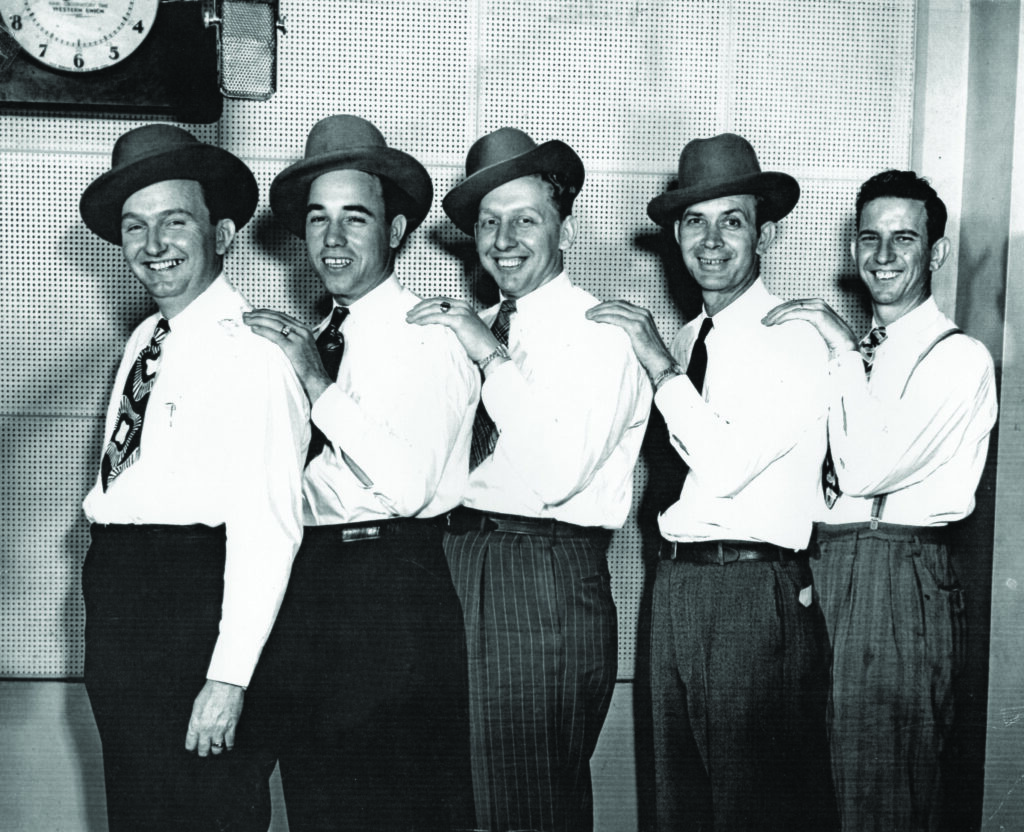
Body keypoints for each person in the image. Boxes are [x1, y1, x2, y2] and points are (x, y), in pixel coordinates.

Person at [587, 133, 838, 831]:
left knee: (751, 812)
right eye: (695, 221)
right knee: (682, 809)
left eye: (733, 220)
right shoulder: (698, 334)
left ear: (766, 232)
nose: (713, 239)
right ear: (674, 234)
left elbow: (725, 467)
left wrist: (659, 366)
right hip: (679, 590)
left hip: (752, 597)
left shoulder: (792, 335)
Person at [406, 127, 651, 832]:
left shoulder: (600, 332)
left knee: (527, 806)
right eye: (488, 222)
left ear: (565, 231)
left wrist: (488, 356)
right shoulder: (471, 325)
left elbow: (553, 471)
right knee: (458, 800)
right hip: (455, 560)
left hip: (538, 572)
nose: (503, 238)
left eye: (525, 219)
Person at [242, 114, 478, 832]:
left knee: (398, 810)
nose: (334, 240)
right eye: (318, 220)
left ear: (398, 229)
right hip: (311, 592)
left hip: (390, 594)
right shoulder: (313, 338)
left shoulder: (427, 337)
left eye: (355, 218)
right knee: (322, 805)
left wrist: (317, 386)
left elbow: (406, 488)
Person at [78, 124, 309, 831]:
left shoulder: (258, 352)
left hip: (195, 614)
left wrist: (228, 678)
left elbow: (269, 528)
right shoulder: (147, 340)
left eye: (174, 222)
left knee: (206, 813)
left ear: (226, 232)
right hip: (123, 608)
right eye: (134, 228)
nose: (153, 246)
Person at [762, 169, 998, 831]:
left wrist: (835, 340)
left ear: (937, 251)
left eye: (904, 238)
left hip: (895, 578)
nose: (884, 256)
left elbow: (864, 467)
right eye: (870, 238)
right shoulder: (856, 350)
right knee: (812, 790)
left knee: (883, 788)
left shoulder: (959, 359)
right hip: (822, 570)